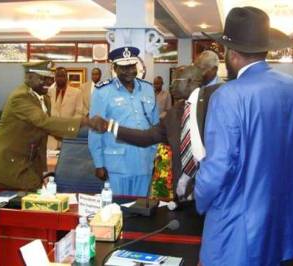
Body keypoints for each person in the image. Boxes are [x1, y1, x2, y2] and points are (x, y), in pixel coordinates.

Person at [197, 7, 293, 266]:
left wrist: (199, 197)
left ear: (232, 54)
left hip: (236, 229)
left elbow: (218, 167)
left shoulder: (228, 96)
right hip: (281, 219)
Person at [90, 65, 222, 202]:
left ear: (189, 81)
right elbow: (148, 136)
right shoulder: (175, 113)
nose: (171, 85)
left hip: (213, 180)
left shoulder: (213, 101)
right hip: (185, 185)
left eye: (176, 80)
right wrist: (109, 126)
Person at [0, 61, 90, 190]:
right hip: (10, 163)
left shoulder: (44, 98)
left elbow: (48, 130)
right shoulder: (20, 97)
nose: (49, 83)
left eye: (50, 79)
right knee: (33, 197)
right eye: (43, 79)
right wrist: (83, 123)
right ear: (28, 77)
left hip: (30, 162)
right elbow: (44, 122)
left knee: (37, 197)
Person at [88, 46, 159, 196]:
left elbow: (156, 127)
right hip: (117, 164)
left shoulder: (148, 89)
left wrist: (155, 157)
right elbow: (95, 130)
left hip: (144, 161)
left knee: (141, 210)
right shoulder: (103, 92)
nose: (129, 71)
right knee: (117, 211)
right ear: (114, 68)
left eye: (132, 66)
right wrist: (99, 164)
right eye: (123, 67)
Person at [47, 67, 83, 150]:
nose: (60, 78)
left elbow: (79, 113)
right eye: (58, 76)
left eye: (62, 76)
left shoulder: (77, 92)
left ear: (66, 77)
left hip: (68, 135)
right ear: (55, 78)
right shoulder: (49, 92)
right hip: (52, 136)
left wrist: (67, 129)